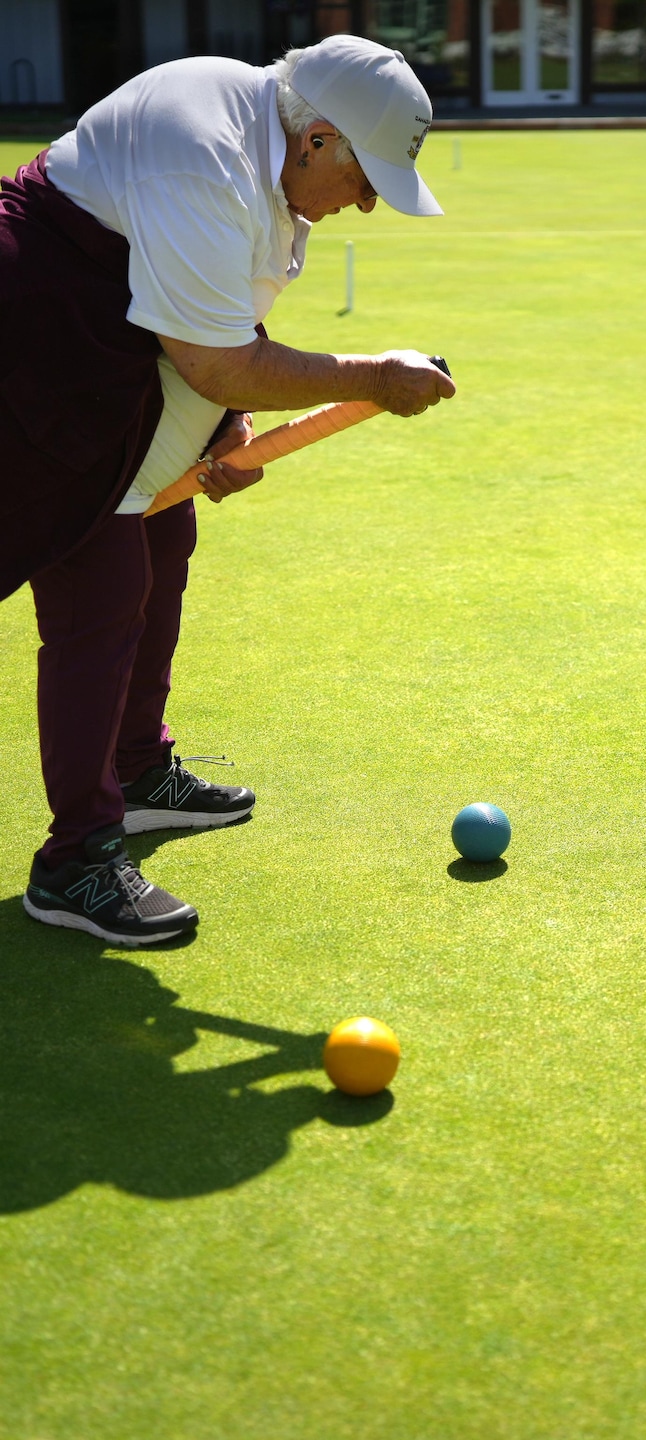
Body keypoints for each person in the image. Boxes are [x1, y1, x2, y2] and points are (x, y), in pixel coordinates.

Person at [0, 35, 456, 948]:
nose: (367, 200)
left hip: (116, 330)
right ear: (320, 139)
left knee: (164, 543)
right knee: (101, 578)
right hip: (32, 327)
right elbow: (216, 359)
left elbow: (220, 319)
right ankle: (77, 861)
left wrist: (220, 427)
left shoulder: (271, 153)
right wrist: (370, 376)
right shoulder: (203, 145)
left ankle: (134, 772)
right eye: (367, 175)